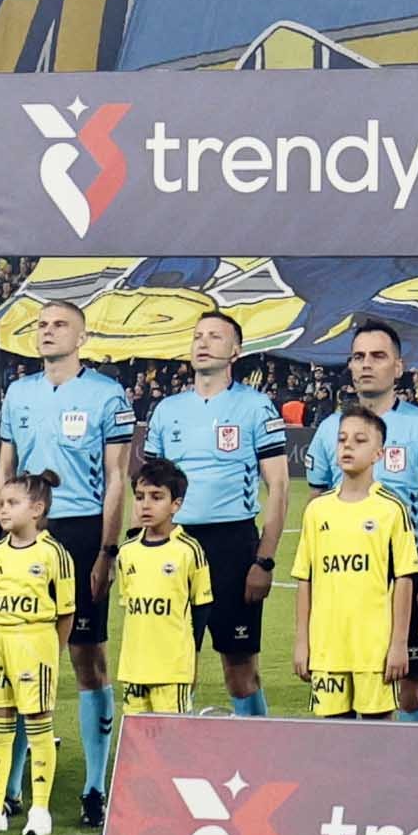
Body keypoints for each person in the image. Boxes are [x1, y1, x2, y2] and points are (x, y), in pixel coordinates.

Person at [4, 296, 141, 793]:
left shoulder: (107, 394)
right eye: (42, 324)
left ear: (81, 337)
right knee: (22, 661)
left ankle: (95, 787)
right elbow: (5, 467)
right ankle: (9, 789)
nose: (48, 331)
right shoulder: (18, 392)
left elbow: (117, 478)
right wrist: (2, 528)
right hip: (27, 534)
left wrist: (107, 550)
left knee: (87, 657)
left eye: (60, 324)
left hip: (81, 532)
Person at [140, 308, 289, 722]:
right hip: (175, 546)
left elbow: (279, 486)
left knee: (240, 669)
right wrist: (139, 550)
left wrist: (264, 560)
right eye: (198, 336)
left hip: (232, 546)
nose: (203, 343)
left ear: (236, 351)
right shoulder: (167, 410)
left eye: (215, 336)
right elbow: (148, 489)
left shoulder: (256, 407)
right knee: (171, 666)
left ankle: (256, 748)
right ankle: (177, 750)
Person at [332, 320, 418, 720]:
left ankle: (416, 758)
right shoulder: (331, 429)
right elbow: (316, 507)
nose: (367, 364)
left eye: (378, 356)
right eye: (359, 356)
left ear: (398, 367)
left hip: (403, 567)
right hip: (342, 571)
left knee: (407, 684)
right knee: (342, 679)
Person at [284, 407, 418, 722]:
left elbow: (404, 579)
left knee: (377, 736)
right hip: (326, 648)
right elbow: (305, 579)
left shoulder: (391, 509)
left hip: (373, 649)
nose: (348, 446)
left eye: (360, 440)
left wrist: (399, 644)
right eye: (342, 439)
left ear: (378, 454)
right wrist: (302, 642)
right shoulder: (317, 511)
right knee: (332, 740)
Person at [0, 469, 77, 835]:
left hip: (35, 642)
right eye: (1, 503)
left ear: (37, 509)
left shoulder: (53, 554)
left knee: (37, 727)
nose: (3, 509)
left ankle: (40, 810)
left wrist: (52, 653)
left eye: (12, 503)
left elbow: (66, 612)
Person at [102, 457, 211, 784]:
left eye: (156, 497)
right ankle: (142, 807)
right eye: (139, 497)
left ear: (176, 504)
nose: (145, 505)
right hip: (134, 667)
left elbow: (201, 609)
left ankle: (173, 807)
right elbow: (130, 607)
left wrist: (192, 660)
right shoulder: (127, 553)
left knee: (172, 747)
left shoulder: (189, 550)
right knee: (137, 748)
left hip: (171, 668)